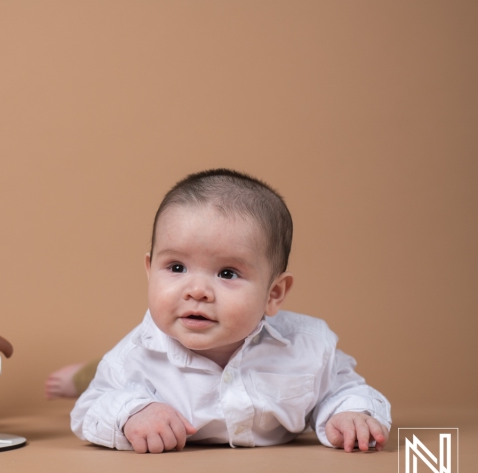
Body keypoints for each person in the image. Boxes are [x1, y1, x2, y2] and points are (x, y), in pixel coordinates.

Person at [62, 169, 391, 453]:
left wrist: (349, 413)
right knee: (101, 377)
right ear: (150, 271)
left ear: (273, 294)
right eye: (176, 267)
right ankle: (80, 376)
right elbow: (88, 411)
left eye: (227, 274)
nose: (197, 291)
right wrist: (131, 413)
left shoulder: (307, 347)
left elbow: (344, 390)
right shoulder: (135, 358)